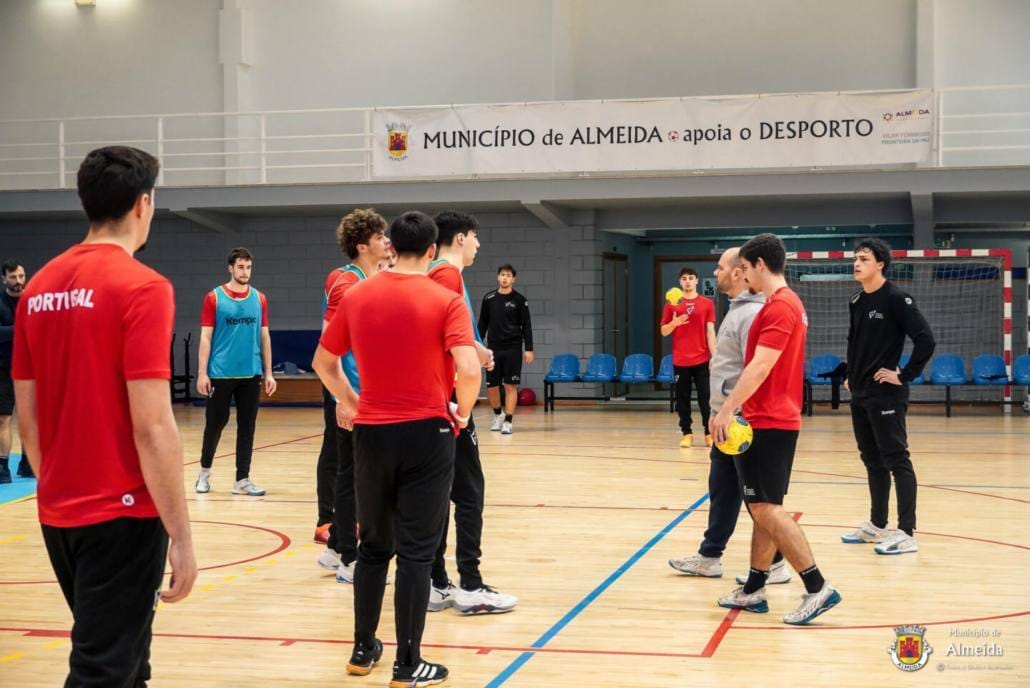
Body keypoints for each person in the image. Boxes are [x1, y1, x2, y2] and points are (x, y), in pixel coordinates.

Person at [12, 146, 197, 685]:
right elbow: (153, 424)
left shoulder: (38, 288)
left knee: (126, 661)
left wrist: (59, 490)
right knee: (103, 670)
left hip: (59, 512)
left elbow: (29, 421)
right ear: (143, 204)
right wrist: (181, 536)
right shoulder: (143, 287)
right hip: (123, 514)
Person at [313, 210, 480, 686]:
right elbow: (468, 368)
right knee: (416, 553)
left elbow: (323, 361)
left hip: (371, 433)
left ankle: (363, 650)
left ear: (393, 246)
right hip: (427, 433)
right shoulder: (445, 298)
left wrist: (351, 401)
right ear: (431, 250)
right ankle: (409, 663)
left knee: (372, 547)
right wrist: (462, 411)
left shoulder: (357, 295)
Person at [710, 233, 841, 625]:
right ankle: (753, 588)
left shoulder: (781, 307)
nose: (743, 275)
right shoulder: (783, 305)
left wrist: (726, 411)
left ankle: (817, 586)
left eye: (746, 268)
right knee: (764, 507)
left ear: (760, 266)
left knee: (765, 508)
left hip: (768, 420)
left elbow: (761, 366)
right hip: (771, 418)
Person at [668, 248, 790, 585]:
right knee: (722, 487)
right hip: (725, 418)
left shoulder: (752, 314)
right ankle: (710, 556)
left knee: (757, 498)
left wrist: (730, 410)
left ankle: (777, 562)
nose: (716, 272)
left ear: (739, 273)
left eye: (721, 267)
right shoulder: (736, 310)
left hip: (741, 420)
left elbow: (758, 367)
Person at [427, 210, 516, 615]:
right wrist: (462, 409)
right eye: (476, 237)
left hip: (439, 401)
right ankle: (471, 584)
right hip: (449, 405)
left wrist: (476, 348)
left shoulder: (438, 275)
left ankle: (437, 581)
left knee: (444, 493)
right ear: (460, 238)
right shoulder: (446, 275)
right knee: (468, 493)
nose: (479, 245)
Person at [841, 238, 935, 555]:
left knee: (896, 459)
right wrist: (850, 375)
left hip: (887, 395)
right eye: (855, 258)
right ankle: (877, 525)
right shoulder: (856, 301)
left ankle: (906, 532)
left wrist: (904, 374)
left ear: (880, 263)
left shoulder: (897, 298)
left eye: (864, 258)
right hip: (861, 392)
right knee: (872, 460)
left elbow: (926, 340)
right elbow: (855, 343)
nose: (857, 263)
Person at [314, 209, 391, 587]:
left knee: (350, 472)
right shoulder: (348, 285)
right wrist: (344, 399)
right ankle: (349, 558)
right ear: (362, 246)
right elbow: (329, 347)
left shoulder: (371, 278)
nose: (386, 241)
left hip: (364, 392)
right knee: (353, 477)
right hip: (350, 394)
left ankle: (336, 548)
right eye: (380, 237)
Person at [194, 247, 276, 496]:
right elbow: (205, 337)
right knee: (215, 425)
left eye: (248, 267)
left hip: (250, 374)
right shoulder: (214, 298)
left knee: (247, 428)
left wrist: (269, 372)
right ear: (231, 268)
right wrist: (202, 372)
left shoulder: (259, 298)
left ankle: (242, 479)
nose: (245, 271)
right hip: (220, 373)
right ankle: (204, 473)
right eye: (240, 267)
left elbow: (264, 336)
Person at [660, 267, 716, 448]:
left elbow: (710, 332)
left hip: (701, 359)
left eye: (691, 278)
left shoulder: (707, 303)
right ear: (680, 282)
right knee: (682, 399)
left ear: (697, 281)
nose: (688, 281)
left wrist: (714, 356)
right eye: (684, 278)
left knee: (705, 398)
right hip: (680, 360)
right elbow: (663, 331)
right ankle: (687, 433)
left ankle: (709, 433)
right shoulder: (671, 305)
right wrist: (674, 323)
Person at [478, 264, 533, 434]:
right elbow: (482, 324)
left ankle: (508, 420)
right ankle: (497, 415)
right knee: (492, 386)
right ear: (498, 277)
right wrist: (477, 346)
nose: (505, 278)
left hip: (513, 349)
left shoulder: (520, 300)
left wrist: (529, 349)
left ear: (513, 279)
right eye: (502, 275)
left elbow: (527, 326)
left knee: (510, 386)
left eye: (508, 275)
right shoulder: (489, 298)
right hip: (493, 349)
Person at [0, 259, 30, 483]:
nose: (18, 282)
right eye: (13, 277)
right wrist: (22, 327)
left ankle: (28, 462)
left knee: (31, 418)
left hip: (32, 369)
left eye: (21, 276)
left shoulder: (33, 301)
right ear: (4, 279)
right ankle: (3, 466)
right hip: (4, 368)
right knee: (3, 419)